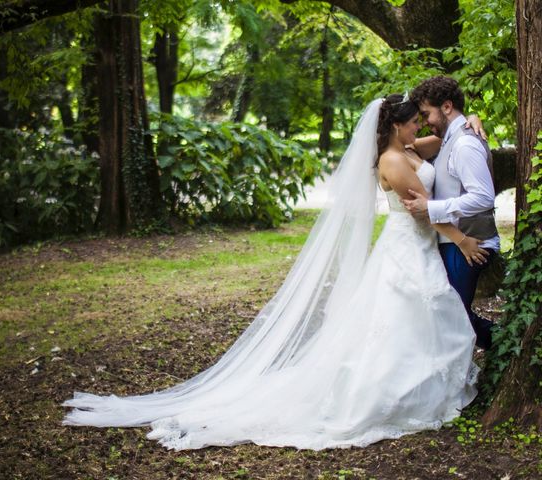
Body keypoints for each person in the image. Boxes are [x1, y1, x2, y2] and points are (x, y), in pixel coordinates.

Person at [63, 95, 484, 451]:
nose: (419, 129)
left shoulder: (407, 148)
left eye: (419, 123)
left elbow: (441, 137)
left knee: (410, 319)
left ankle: (416, 383)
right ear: (395, 126)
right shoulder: (394, 160)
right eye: (413, 124)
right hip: (408, 245)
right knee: (400, 318)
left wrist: (469, 124)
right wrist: (463, 240)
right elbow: (423, 213)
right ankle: (392, 393)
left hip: (415, 248)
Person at [402, 76, 499, 350]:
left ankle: (508, 346)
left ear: (446, 107)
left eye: (426, 114)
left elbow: (482, 197)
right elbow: (401, 145)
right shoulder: (449, 138)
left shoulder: (464, 144)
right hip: (454, 241)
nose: (423, 123)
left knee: (452, 317)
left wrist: (431, 208)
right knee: (448, 314)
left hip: (471, 243)